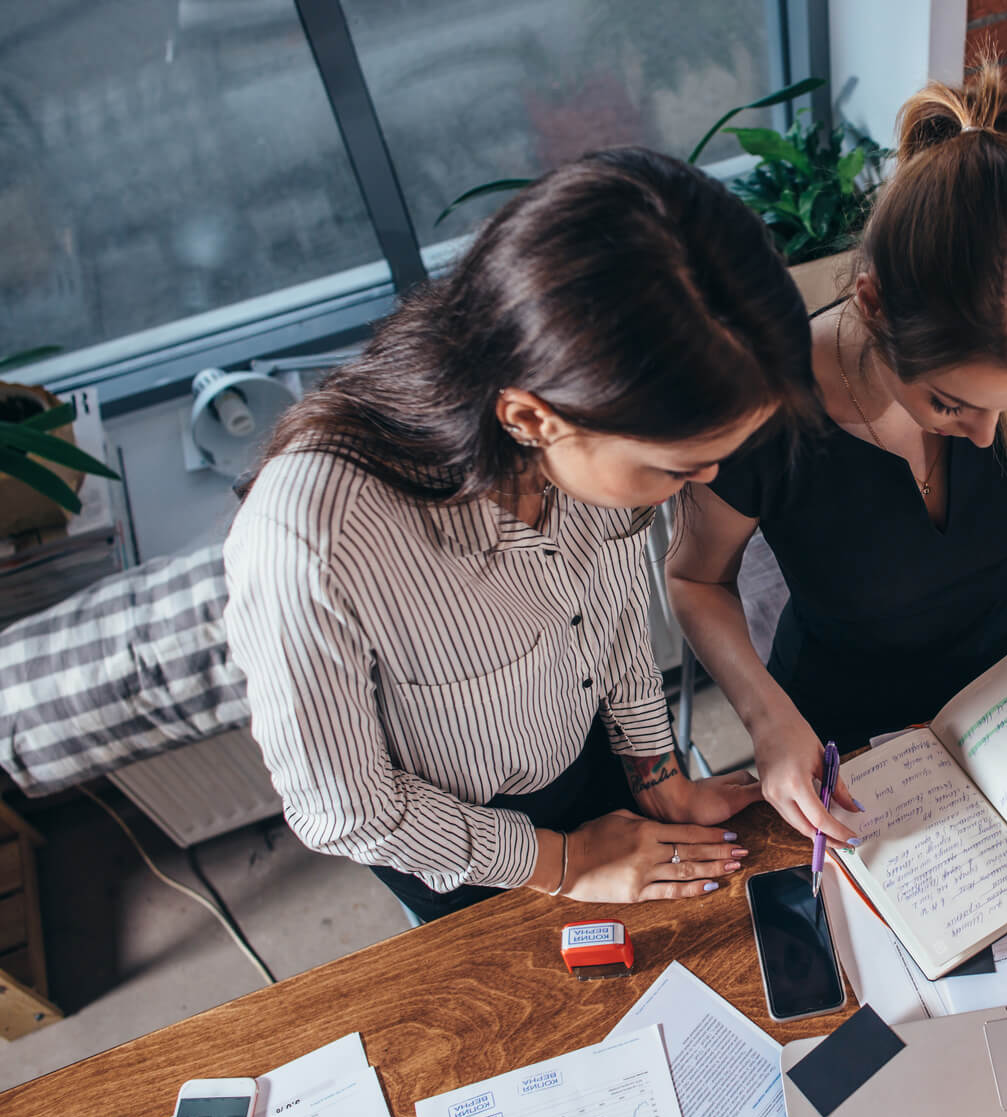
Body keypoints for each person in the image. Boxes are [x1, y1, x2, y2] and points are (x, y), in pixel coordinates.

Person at [224, 148, 815, 922]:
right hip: (455, 843)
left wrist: (656, 776)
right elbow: (347, 808)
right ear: (531, 418)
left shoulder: (584, 435)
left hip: (591, 755)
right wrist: (564, 863)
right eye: (679, 467)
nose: (704, 482)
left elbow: (605, 624)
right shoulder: (314, 541)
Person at [665, 61, 1007, 846]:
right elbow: (692, 578)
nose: (987, 437)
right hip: (845, 728)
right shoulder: (765, 407)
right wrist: (765, 717)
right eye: (949, 404)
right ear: (873, 304)